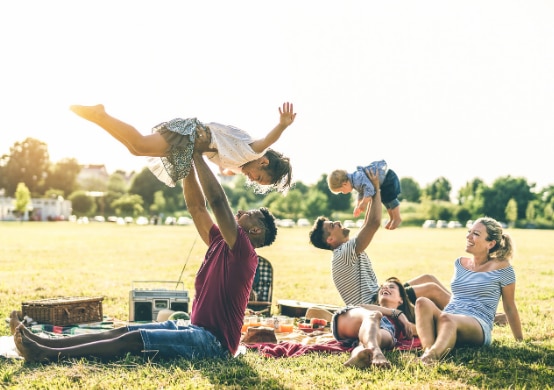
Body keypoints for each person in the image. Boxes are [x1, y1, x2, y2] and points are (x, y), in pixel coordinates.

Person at [12, 150, 278, 363]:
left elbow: (218, 202)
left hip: (213, 344)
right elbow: (197, 207)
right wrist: (185, 161)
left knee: (133, 340)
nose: (240, 210)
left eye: (247, 213)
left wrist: (197, 155)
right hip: (194, 328)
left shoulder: (244, 252)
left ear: (255, 231)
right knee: (123, 330)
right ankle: (46, 343)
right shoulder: (222, 241)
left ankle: (46, 355)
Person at [70, 102, 296, 192]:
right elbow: (269, 140)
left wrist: (225, 171)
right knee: (139, 143)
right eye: (259, 177)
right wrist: (282, 125)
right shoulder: (253, 150)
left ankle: (100, 117)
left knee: (136, 149)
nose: (252, 179)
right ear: (264, 162)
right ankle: (101, 114)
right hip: (189, 134)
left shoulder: (240, 163)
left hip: (189, 146)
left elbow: (226, 168)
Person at [309, 168, 450, 309]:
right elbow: (373, 223)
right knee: (432, 289)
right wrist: (376, 188)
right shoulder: (342, 254)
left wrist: (368, 191)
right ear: (330, 240)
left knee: (428, 278)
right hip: (375, 306)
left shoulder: (345, 250)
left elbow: (366, 224)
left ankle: (463, 311)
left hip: (380, 297)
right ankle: (466, 320)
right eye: (333, 226)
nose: (338, 223)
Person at [415, 217, 523, 365]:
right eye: (469, 232)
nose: (468, 236)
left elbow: (510, 306)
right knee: (422, 302)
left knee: (447, 319)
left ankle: (432, 356)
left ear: (491, 244)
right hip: (450, 314)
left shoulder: (503, 268)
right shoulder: (460, 263)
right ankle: (429, 351)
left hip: (478, 323)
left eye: (476, 234)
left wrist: (519, 340)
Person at [332, 277, 416, 369]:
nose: (385, 288)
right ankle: (376, 351)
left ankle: (357, 357)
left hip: (382, 331)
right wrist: (395, 313)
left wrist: (405, 321)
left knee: (372, 341)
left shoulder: (403, 323)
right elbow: (361, 307)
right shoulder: (371, 309)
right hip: (351, 321)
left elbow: (422, 330)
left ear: (401, 299)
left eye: (391, 287)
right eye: (382, 287)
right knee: (374, 315)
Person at [327, 159, 402, 229]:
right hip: (384, 181)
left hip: (388, 178)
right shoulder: (355, 182)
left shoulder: (357, 179)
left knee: (391, 199)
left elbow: (369, 189)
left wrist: (364, 203)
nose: (343, 193)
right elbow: (361, 192)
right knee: (386, 201)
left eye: (341, 191)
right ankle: (392, 218)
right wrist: (358, 205)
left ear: (344, 184)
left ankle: (397, 218)